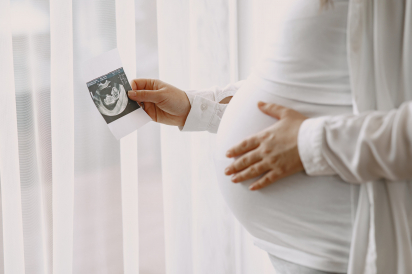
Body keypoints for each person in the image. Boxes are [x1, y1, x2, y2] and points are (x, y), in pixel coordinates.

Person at [128, 0, 412, 273]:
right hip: (301, 251)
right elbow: (309, 86)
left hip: (338, 249)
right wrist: (197, 108)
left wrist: (311, 143)